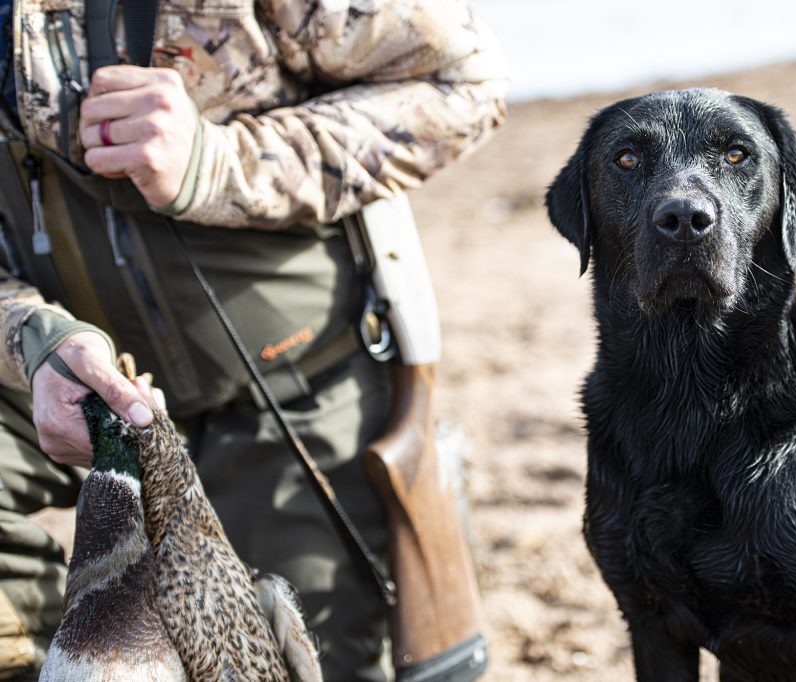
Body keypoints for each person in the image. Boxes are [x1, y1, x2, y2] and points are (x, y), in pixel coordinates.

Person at [0, 1, 507, 680]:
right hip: (68, 389)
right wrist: (35, 341)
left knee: (296, 663)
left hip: (297, 385)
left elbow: (464, 85)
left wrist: (216, 163)